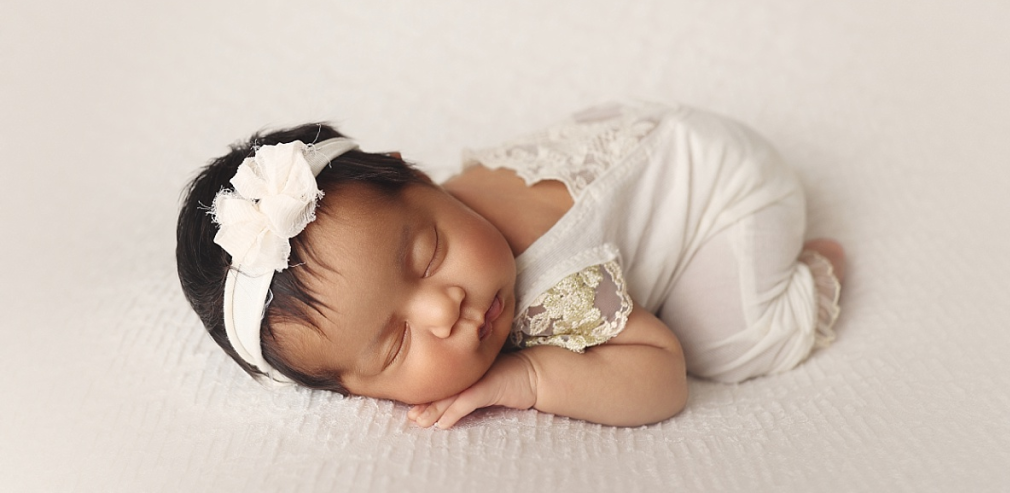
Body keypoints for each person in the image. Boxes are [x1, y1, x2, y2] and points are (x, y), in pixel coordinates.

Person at [176, 102, 843, 429]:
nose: (445, 307)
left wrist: (529, 377)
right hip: (661, 132)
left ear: (420, 177)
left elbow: (663, 376)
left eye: (427, 252)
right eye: (395, 342)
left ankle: (810, 282)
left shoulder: (554, 285)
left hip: (731, 189)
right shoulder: (423, 213)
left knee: (720, 348)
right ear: (354, 392)